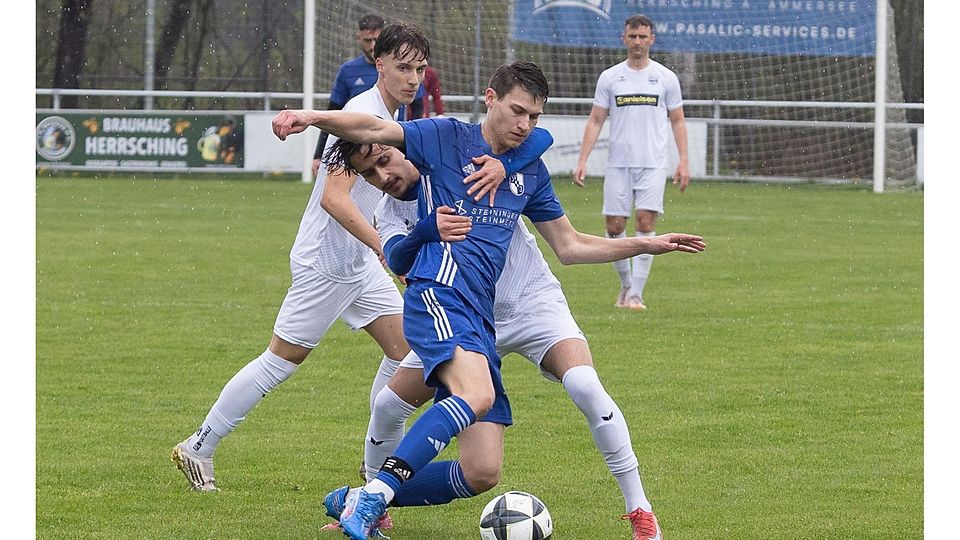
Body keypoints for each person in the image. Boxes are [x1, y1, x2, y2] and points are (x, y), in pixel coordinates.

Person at [271, 60, 705, 540]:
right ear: (490, 98)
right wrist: (312, 117)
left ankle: (641, 513)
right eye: (516, 111)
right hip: (458, 309)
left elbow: (570, 245)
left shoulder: (518, 162)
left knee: (569, 399)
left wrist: (645, 243)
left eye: (531, 116)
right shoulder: (424, 164)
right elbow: (391, 236)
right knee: (389, 404)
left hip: (526, 304)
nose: (385, 172)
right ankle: (373, 500)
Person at [169, 22, 433, 495]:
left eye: (419, 68)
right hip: (327, 263)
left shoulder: (394, 114)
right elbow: (335, 197)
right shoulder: (361, 112)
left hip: (357, 263)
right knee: (281, 361)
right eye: (402, 68)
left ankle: (375, 466)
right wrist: (383, 246)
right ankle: (199, 445)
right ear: (380, 65)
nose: (413, 78)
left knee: (409, 354)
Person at [573, 14, 691, 311]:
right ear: (623, 39)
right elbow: (597, 119)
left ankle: (637, 294)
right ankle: (625, 287)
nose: (637, 42)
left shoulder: (665, 77)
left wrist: (683, 161)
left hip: (652, 163)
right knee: (614, 227)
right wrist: (582, 159)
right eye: (633, 36)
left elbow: (677, 121)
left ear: (652, 39)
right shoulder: (611, 77)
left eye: (643, 36)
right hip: (618, 164)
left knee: (645, 222)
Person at [312, 13, 424, 176]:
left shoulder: (401, 91)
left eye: (376, 40)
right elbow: (333, 112)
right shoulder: (352, 81)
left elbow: (418, 110)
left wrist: (413, 145)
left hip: (394, 145)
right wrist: (318, 154)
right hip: (358, 145)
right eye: (367, 40)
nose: (372, 46)